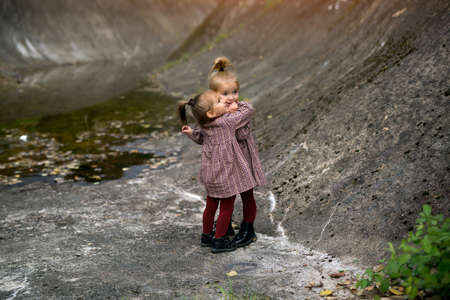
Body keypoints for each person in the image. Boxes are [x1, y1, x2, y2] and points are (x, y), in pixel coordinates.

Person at [187, 57, 267, 248]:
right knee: (227, 193)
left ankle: (248, 229)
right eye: (225, 94)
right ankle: (226, 227)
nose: (232, 97)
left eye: (235, 92)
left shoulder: (231, 113)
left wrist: (234, 108)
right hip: (230, 160)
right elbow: (204, 135)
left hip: (243, 157)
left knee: (246, 193)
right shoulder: (223, 116)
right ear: (213, 97)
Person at [178, 89, 256, 253]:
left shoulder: (205, 124)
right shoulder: (227, 122)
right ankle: (219, 239)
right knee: (226, 207)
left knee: (211, 205)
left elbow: (200, 138)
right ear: (212, 113)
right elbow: (249, 110)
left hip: (210, 173)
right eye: (220, 101)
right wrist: (236, 104)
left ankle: (206, 236)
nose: (225, 101)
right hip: (226, 173)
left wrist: (191, 132)